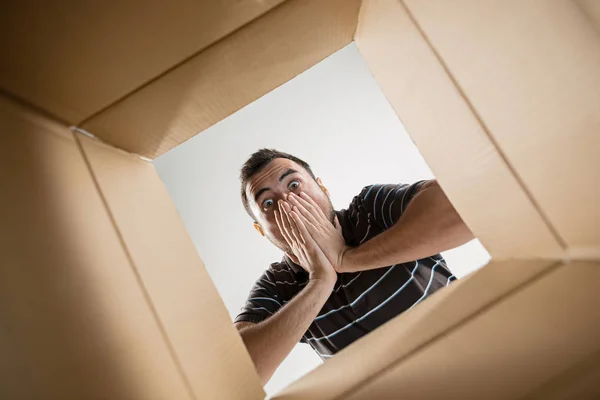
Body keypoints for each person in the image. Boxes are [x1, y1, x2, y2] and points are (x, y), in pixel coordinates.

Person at [234, 149, 474, 385]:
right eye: (268, 203)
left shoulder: (370, 210)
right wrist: (320, 281)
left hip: (471, 362)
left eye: (294, 185)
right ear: (261, 231)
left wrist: (347, 258)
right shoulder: (277, 284)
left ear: (322, 188)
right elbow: (236, 376)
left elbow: (464, 207)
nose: (289, 204)